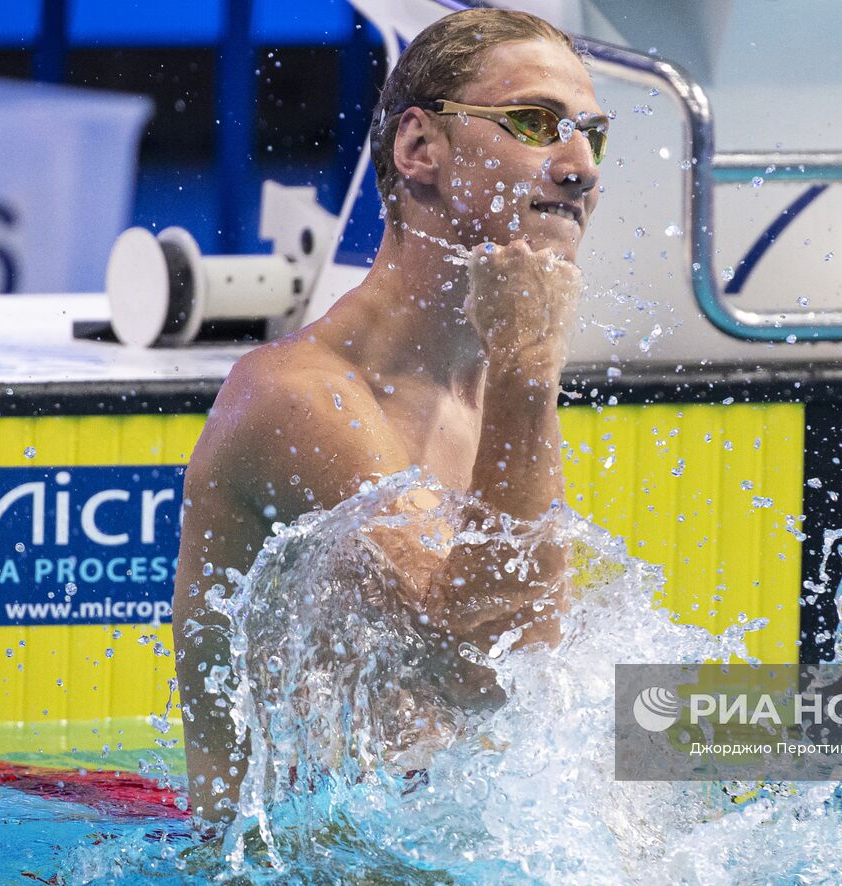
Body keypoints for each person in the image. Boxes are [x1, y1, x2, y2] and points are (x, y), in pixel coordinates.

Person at [171, 8, 608, 821]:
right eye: (535, 122)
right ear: (418, 150)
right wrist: (526, 371)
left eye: (591, 134)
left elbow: (550, 700)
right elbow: (484, 670)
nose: (579, 167)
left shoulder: (483, 395)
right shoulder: (298, 395)